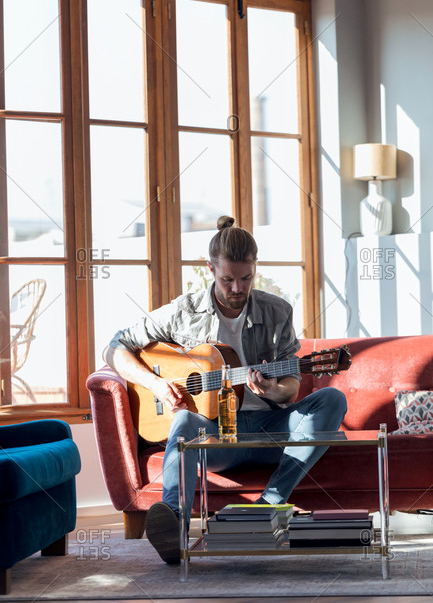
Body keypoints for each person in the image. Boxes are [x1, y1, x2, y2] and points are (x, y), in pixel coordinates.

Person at [103, 216, 347, 565]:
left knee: (333, 400)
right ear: (210, 269)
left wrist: (273, 391)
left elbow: (291, 389)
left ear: (255, 269)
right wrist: (156, 384)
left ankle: (269, 505)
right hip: (215, 436)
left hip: (269, 433)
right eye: (227, 279)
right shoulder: (183, 312)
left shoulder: (277, 311)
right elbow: (115, 347)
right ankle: (173, 525)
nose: (237, 288)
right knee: (185, 420)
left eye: (246, 278)